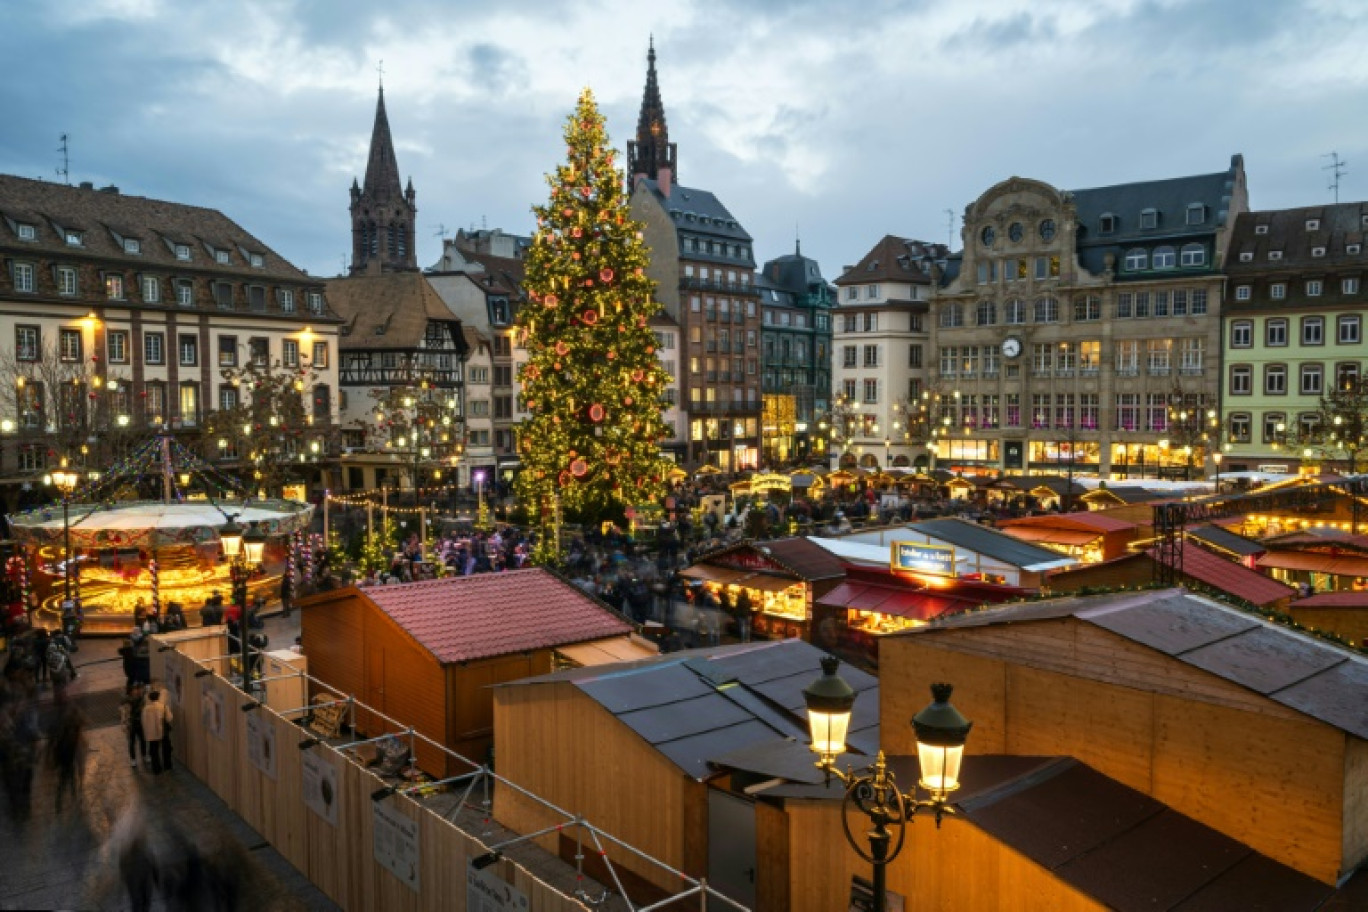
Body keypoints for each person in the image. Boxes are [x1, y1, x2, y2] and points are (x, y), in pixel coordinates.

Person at [140, 688, 173, 775]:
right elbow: (169, 718)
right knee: (166, 749)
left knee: (153, 751)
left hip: (151, 734)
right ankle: (167, 765)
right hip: (163, 732)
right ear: (158, 697)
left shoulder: (146, 709)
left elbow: (143, 721)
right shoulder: (163, 706)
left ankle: (156, 769)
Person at [121, 682, 149, 769]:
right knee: (132, 742)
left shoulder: (141, 698)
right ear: (130, 691)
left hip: (140, 723)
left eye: (138, 689)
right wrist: (125, 725)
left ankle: (144, 755)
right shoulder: (127, 701)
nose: (137, 691)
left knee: (142, 740)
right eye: (135, 689)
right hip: (131, 724)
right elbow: (124, 714)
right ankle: (133, 759)